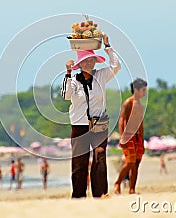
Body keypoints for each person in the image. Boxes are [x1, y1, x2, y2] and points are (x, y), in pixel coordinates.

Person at [61, 33, 121, 198]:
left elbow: (116, 66)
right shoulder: (73, 80)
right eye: (86, 60)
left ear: (95, 61)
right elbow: (66, 95)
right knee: (80, 161)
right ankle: (78, 195)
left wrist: (108, 47)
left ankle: (100, 193)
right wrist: (67, 73)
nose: (89, 62)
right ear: (79, 64)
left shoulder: (101, 76)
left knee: (100, 155)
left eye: (91, 60)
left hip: (99, 122)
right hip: (79, 124)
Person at [113, 78, 147, 195]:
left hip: (138, 137)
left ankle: (132, 188)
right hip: (128, 136)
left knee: (136, 163)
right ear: (136, 90)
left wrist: (142, 140)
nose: (145, 92)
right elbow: (122, 119)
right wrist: (122, 136)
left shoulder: (141, 106)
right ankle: (117, 183)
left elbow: (140, 125)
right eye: (143, 90)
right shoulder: (128, 103)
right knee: (130, 162)